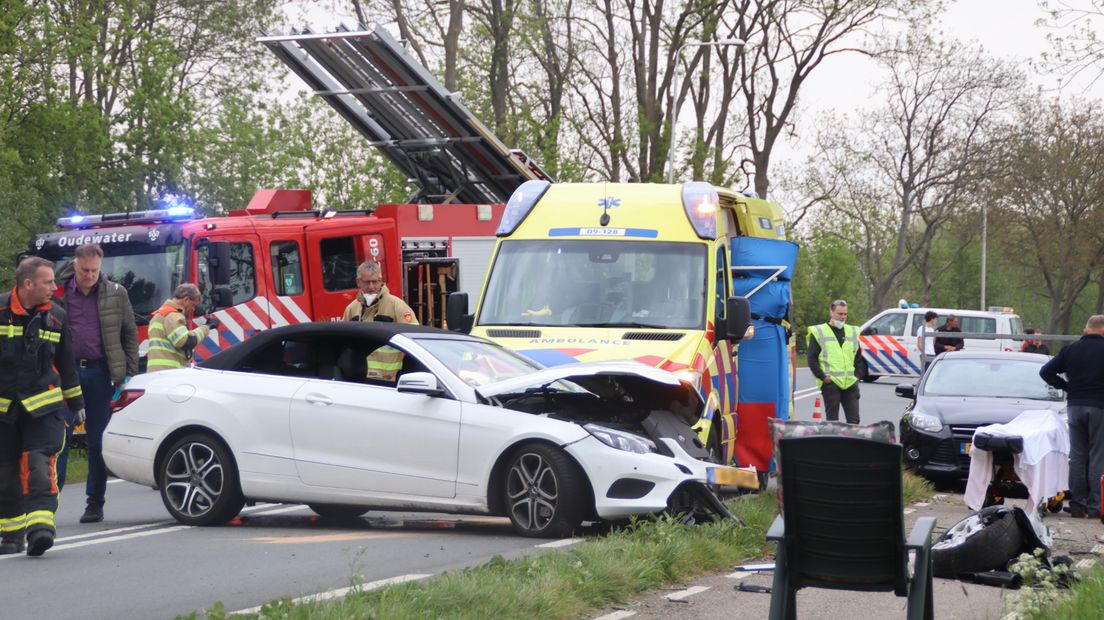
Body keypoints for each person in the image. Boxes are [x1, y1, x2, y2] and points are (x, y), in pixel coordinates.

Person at [0, 257, 85, 556]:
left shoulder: (57, 317)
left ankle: (40, 529)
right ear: (27, 284)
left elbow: (66, 364)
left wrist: (77, 404)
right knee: (5, 473)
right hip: (5, 412)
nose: (54, 287)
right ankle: (10, 535)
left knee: (39, 465)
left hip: (43, 409)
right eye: (48, 282)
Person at [53, 244, 139, 523]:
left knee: (97, 441)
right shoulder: (58, 294)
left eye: (94, 270)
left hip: (101, 375)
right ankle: (50, 503)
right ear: (74, 266)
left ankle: (95, 502)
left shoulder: (116, 294)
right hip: (65, 376)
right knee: (59, 439)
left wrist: (128, 374)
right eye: (84, 270)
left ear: (100, 268)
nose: (89, 275)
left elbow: (129, 336)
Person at [1039, 315, 1104, 519]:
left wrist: (1067, 387)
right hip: (1100, 407)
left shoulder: (1071, 350)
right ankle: (1096, 507)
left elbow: (1046, 372)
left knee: (1077, 455)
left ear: (1086, 329)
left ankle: (1077, 505)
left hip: (1075, 406)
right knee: (1097, 456)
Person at [806, 299, 864, 424]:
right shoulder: (819, 332)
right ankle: (834, 443)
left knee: (854, 420)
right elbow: (812, 358)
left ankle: (852, 443)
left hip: (850, 383)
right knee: (832, 422)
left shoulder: (852, 331)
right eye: (840, 314)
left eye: (845, 314)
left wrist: (858, 376)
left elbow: (858, 357)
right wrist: (823, 377)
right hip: (831, 383)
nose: (843, 317)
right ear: (831, 312)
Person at [146, 284, 219, 373]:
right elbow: (185, 341)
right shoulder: (172, 315)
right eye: (193, 305)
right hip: (169, 373)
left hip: (157, 372)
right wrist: (207, 327)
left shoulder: (159, 314)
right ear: (186, 300)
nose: (193, 309)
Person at [341, 261, 418, 324]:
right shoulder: (351, 309)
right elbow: (343, 336)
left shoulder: (398, 306)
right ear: (358, 282)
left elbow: (412, 333)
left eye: (374, 282)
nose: (371, 287)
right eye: (367, 282)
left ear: (380, 281)